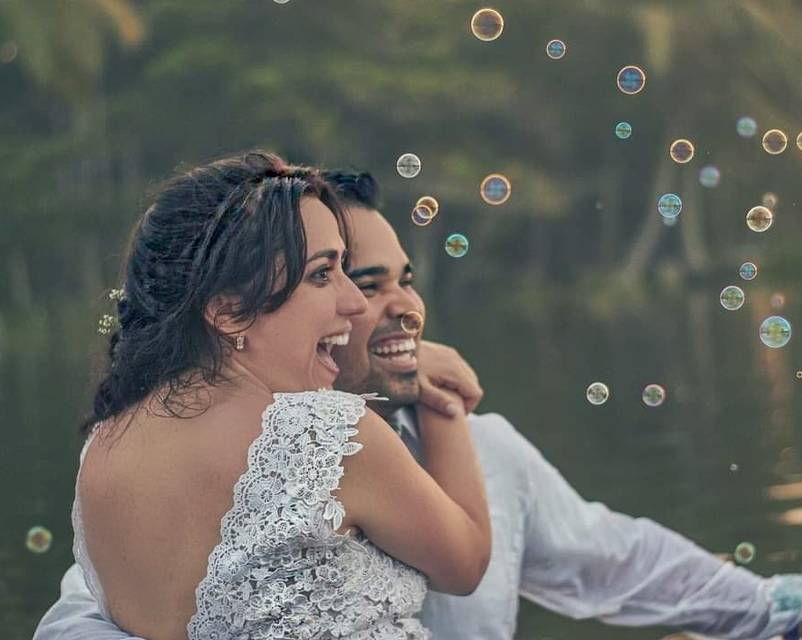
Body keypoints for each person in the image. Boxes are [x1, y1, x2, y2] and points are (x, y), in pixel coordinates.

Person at [36, 167, 802, 640]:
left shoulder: (474, 447)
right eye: (346, 279)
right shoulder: (259, 450)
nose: (382, 306)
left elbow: (611, 555)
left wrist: (784, 609)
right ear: (241, 304)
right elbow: (91, 613)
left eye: (401, 282)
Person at [57, 151, 492, 640]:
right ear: (227, 312)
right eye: (322, 274)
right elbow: (467, 564)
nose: (352, 301)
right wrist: (439, 401)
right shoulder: (325, 436)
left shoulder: (106, 443)